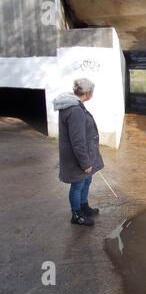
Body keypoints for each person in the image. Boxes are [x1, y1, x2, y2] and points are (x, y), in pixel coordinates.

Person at [53, 78, 104, 226]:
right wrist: (85, 162)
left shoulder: (72, 105)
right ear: (87, 93)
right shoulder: (75, 110)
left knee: (86, 179)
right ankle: (76, 214)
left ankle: (84, 207)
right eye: (92, 92)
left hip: (79, 154)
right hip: (76, 157)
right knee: (78, 184)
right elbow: (77, 141)